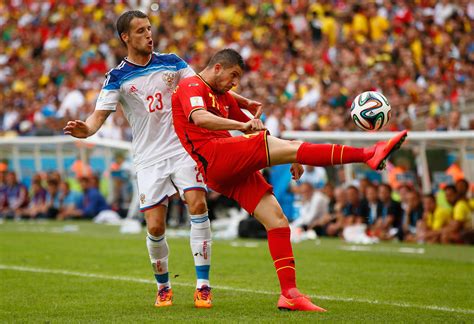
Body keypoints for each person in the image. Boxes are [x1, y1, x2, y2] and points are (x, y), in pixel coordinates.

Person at [171, 48, 408, 311]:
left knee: (277, 220)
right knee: (290, 148)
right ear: (217, 67)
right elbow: (199, 117)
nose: (234, 82)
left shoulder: (224, 97)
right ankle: (368, 154)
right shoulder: (191, 85)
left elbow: (258, 128)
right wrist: (249, 130)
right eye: (233, 75)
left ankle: (289, 294)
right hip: (213, 156)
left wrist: (289, 153)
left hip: (224, 168)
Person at [63, 10, 261, 308]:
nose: (149, 35)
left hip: (183, 148)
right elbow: (97, 118)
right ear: (125, 38)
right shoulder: (116, 77)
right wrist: (85, 130)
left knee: (198, 204)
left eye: (150, 29)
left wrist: (243, 101)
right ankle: (164, 286)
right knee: (155, 227)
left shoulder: (173, 62)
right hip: (148, 158)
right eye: (141, 31)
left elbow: (204, 87)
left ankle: (203, 285)